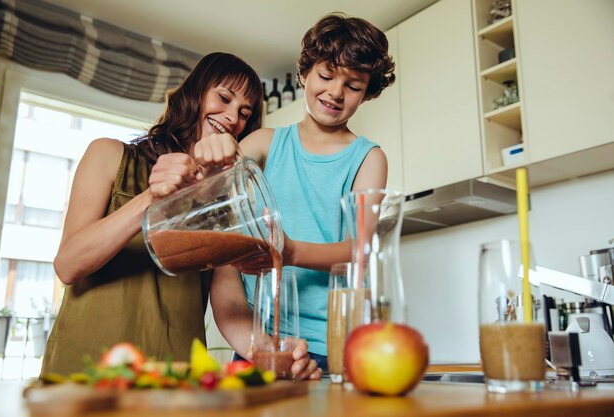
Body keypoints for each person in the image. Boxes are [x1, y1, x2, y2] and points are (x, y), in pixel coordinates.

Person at [40, 52, 320, 380]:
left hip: (172, 383)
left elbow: (229, 307)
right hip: (85, 374)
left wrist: (271, 353)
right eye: (224, 98)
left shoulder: (224, 203)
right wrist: (153, 198)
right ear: (195, 92)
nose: (233, 117)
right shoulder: (109, 155)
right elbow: (68, 265)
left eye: (244, 113)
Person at [193, 13, 396, 371]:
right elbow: (213, 185)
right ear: (304, 73)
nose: (335, 92)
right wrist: (211, 156)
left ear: (366, 95)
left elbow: (359, 248)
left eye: (353, 85)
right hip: (263, 342)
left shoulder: (368, 158)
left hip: (335, 345)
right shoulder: (264, 143)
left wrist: (289, 251)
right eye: (326, 75)